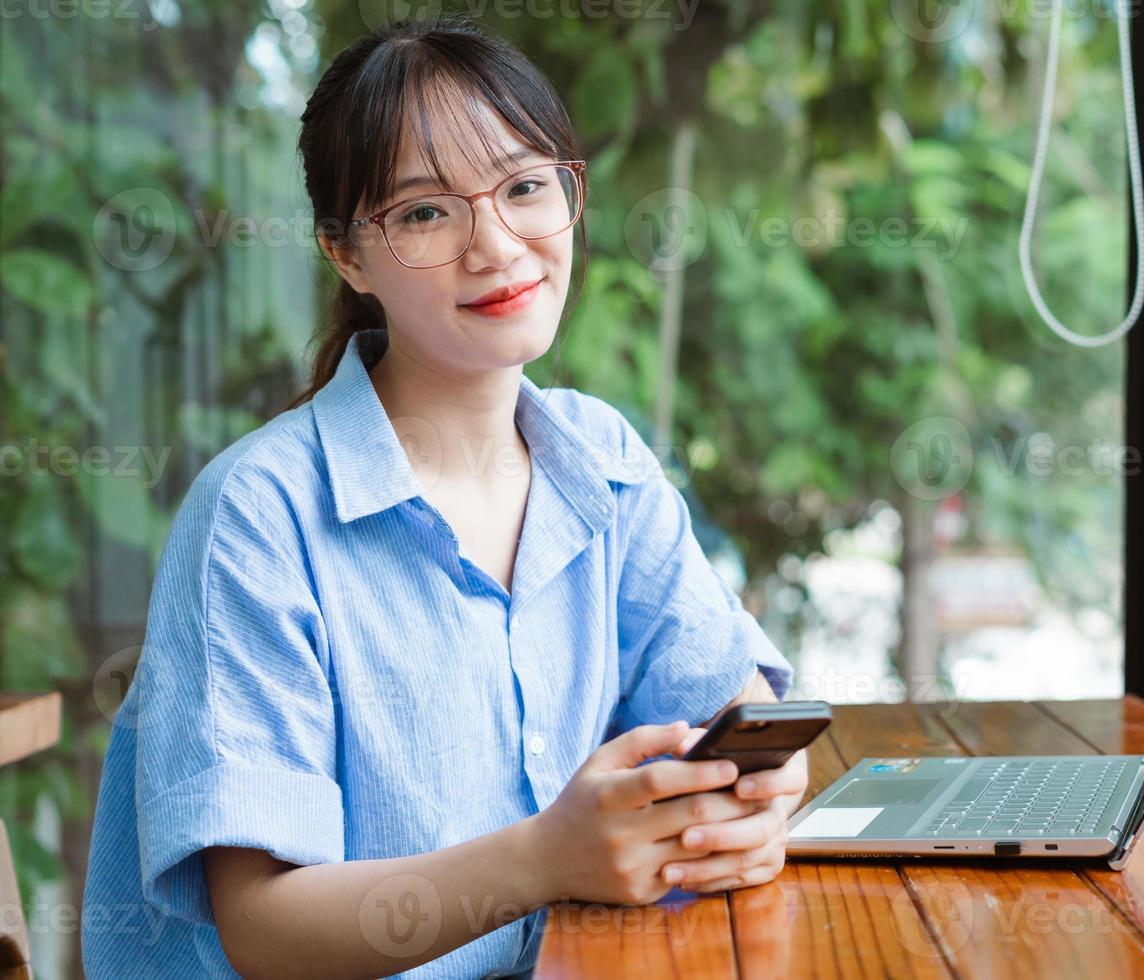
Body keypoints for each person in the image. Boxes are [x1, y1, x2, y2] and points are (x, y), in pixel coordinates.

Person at [81, 15, 803, 978]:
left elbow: (740, 718)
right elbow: (262, 926)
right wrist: (547, 858)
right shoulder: (257, 515)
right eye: (425, 212)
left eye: (524, 187)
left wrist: (753, 805)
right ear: (346, 254)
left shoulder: (604, 460)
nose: (497, 245)